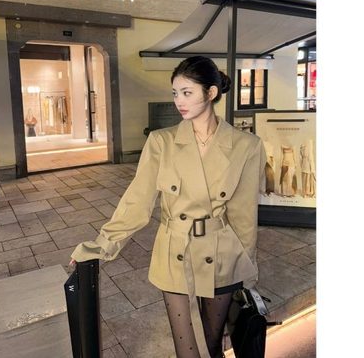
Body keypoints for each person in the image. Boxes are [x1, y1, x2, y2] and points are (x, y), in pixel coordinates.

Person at [70, 56, 266, 358]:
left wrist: (248, 270)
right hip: (176, 252)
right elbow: (137, 201)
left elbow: (244, 216)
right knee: (188, 351)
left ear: (211, 93)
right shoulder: (161, 142)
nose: (179, 101)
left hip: (223, 255)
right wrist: (102, 246)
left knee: (211, 346)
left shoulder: (246, 145)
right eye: (175, 93)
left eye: (187, 92)